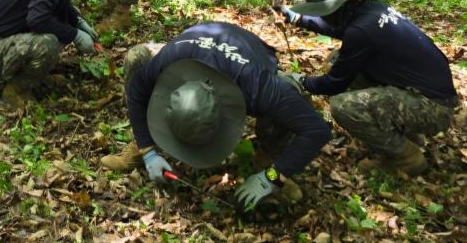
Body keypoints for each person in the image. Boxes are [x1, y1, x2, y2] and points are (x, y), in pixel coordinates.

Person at [99, 22, 332, 210]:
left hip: (248, 52)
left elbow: (317, 130)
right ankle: (139, 146)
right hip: (193, 47)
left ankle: (268, 160)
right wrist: (147, 150)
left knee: (287, 105)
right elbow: (138, 91)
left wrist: (272, 176)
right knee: (136, 57)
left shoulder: (259, 88)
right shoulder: (169, 64)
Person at [278, 0, 459, 176]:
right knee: (339, 59)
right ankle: (406, 135)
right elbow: (340, 29)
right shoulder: (370, 9)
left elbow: (333, 84)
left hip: (432, 106)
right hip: (426, 92)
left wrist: (299, 80)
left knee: (343, 107)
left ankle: (407, 156)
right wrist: (296, 18)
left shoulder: (361, 31)